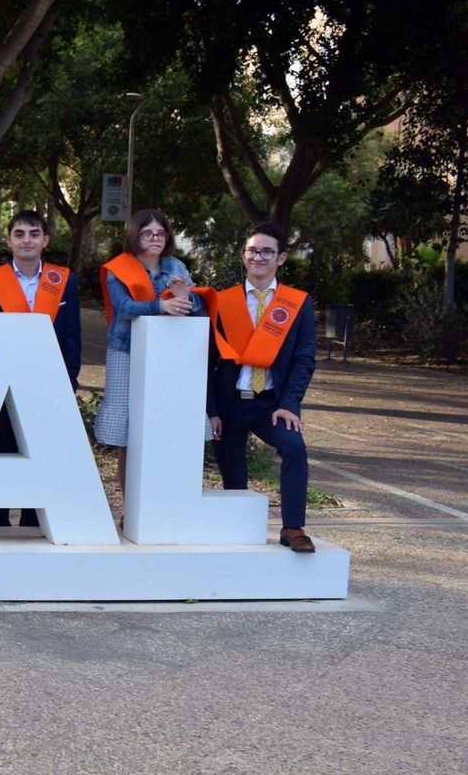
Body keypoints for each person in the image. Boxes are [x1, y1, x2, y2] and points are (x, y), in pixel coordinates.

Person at [205, 220, 318, 552]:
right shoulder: (223, 301)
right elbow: (207, 361)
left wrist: (290, 404)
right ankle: (240, 532)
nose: (258, 257)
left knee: (294, 447)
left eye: (267, 252)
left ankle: (293, 528)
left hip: (272, 404)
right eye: (252, 250)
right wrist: (211, 410)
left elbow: (304, 359)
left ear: (281, 258)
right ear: (243, 255)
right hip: (230, 403)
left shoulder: (297, 303)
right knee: (234, 478)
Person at [0, 209, 83, 527]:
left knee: (41, 451)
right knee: (2, 450)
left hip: (48, 382)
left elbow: (72, 335)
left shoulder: (64, 281)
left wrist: (69, 380)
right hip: (2, 383)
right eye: (19, 234)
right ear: (8, 241)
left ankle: (34, 521)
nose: (27, 240)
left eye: (34, 234)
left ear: (46, 240)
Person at [94, 208, 210, 500]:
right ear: (135, 235)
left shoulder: (177, 267)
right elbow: (124, 307)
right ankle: (130, 505)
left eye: (161, 233)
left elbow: (196, 307)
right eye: (148, 233)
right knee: (129, 434)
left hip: (169, 353)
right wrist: (162, 305)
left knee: (166, 423)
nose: (155, 238)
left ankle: (165, 501)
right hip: (126, 350)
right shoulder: (119, 267)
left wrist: (185, 298)